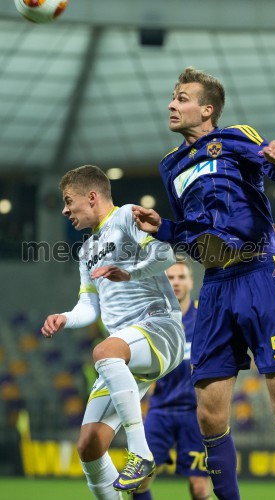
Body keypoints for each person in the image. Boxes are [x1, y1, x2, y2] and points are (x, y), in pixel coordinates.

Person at [132, 67, 275, 500]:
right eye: (172, 97)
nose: (172, 104)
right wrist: (163, 227)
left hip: (258, 273)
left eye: (182, 98)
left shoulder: (235, 138)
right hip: (215, 284)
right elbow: (189, 231)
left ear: (206, 109)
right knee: (210, 417)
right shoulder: (170, 165)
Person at [41, 165, 185, 498]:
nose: (65, 210)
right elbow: (89, 306)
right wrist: (64, 317)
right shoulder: (86, 252)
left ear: (91, 197)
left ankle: (141, 453)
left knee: (104, 351)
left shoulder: (126, 217)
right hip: (126, 351)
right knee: (89, 445)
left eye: (68, 201)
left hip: (159, 327)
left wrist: (130, 272)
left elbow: (166, 254)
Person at [133, 258, 211, 500]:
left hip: (195, 413)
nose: (175, 282)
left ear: (190, 282)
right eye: (170, 278)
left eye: (180, 277)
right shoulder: (153, 321)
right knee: (138, 480)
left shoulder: (205, 319)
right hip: (161, 410)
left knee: (199, 487)